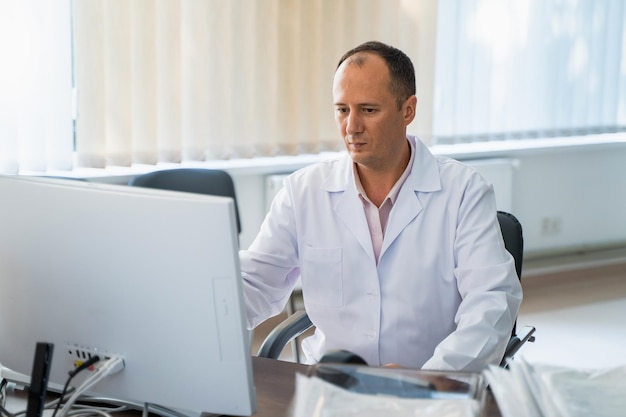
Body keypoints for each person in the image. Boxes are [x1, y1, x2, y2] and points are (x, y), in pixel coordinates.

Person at [241, 41, 522, 371]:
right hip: (332, 386)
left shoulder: (464, 192)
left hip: (430, 386)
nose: (351, 127)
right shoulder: (303, 192)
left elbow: (491, 301)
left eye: (368, 110)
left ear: (408, 110)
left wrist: (434, 377)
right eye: (342, 109)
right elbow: (255, 283)